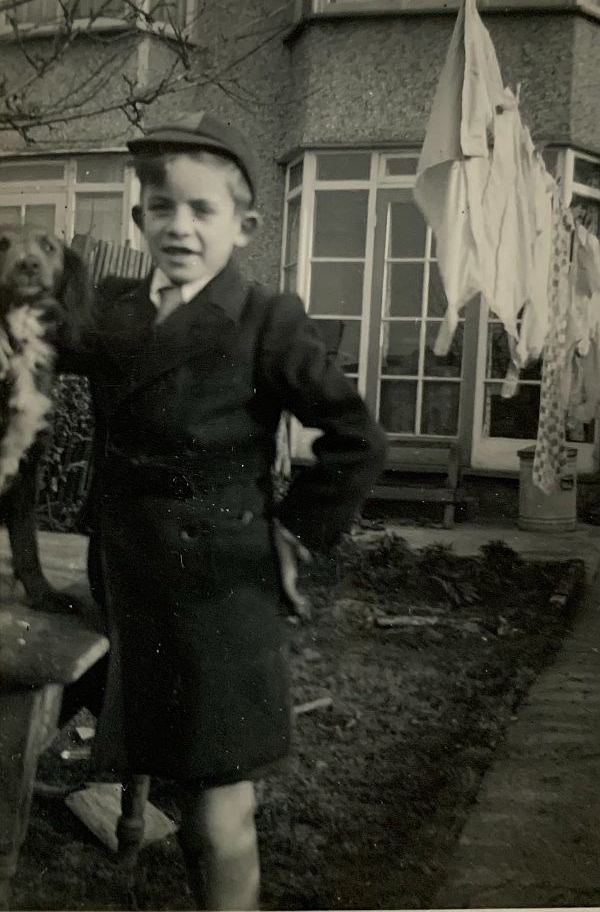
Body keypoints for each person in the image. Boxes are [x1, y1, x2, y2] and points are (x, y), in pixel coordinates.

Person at [83, 111, 386, 910]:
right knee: (179, 789)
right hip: (130, 583)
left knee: (219, 816)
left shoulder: (265, 320)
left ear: (243, 225)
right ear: (139, 215)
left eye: (202, 210)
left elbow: (356, 438)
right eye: (161, 208)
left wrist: (294, 532)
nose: (179, 227)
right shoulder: (114, 311)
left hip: (219, 594)